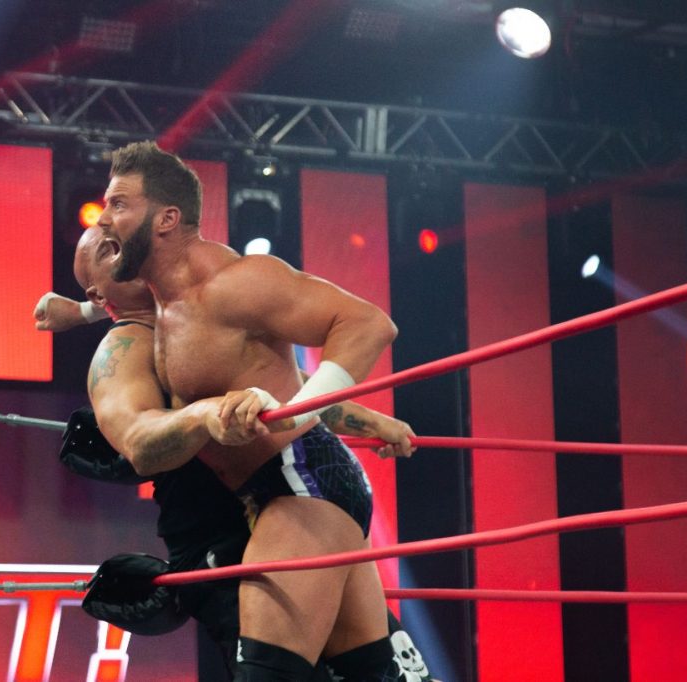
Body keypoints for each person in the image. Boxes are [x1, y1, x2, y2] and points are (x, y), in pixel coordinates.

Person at [36, 227, 430, 680]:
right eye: (109, 248)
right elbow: (138, 439)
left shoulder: (190, 317)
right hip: (221, 534)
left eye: (123, 236)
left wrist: (368, 421)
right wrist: (204, 415)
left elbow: (284, 394)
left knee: (378, 670)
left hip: (291, 503)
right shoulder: (123, 350)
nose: (126, 245)